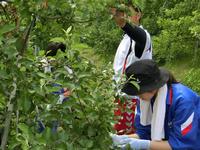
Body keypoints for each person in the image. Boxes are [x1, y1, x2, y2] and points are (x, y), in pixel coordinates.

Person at [111, 59, 200, 150]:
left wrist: (143, 145)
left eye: (139, 92)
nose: (137, 96)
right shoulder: (146, 101)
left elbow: (182, 145)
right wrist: (122, 139)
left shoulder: (183, 102)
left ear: (152, 88)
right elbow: (143, 133)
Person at [111, 3, 152, 135]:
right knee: (116, 135)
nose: (125, 16)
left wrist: (123, 23)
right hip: (119, 95)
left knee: (128, 138)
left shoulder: (144, 36)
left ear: (138, 15)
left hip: (133, 99)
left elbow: (135, 32)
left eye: (128, 13)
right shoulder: (125, 38)